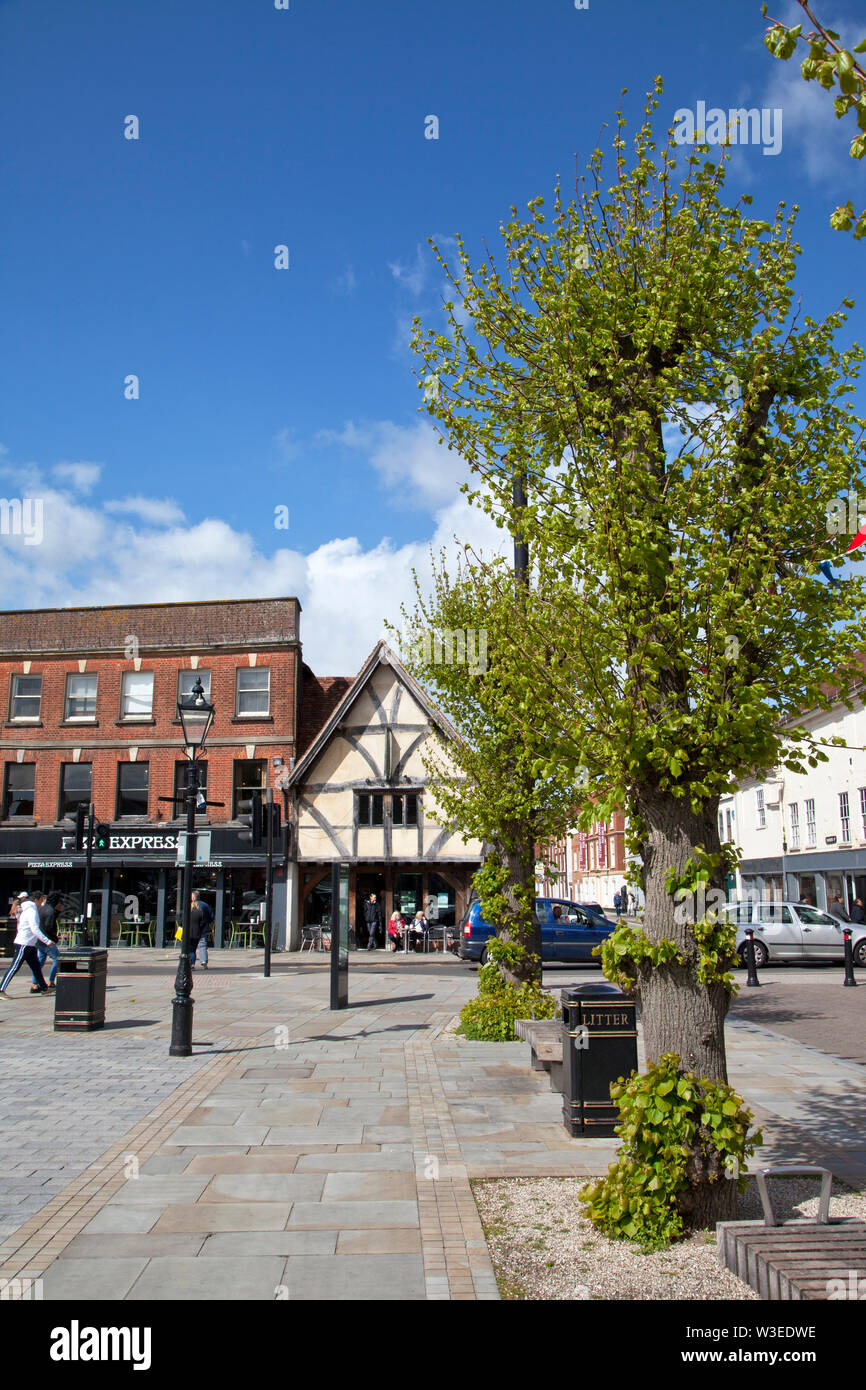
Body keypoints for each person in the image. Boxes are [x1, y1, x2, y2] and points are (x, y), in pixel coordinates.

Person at [1, 892, 51, 996]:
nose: (42, 903)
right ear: (36, 900)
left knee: (36, 967)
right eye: (42, 900)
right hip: (24, 943)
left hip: (29, 944)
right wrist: (47, 941)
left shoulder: (26, 908)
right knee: (14, 967)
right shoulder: (31, 910)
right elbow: (34, 928)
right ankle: (1, 990)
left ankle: (44, 988)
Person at [35, 891, 61, 988]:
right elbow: (49, 926)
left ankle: (34, 983)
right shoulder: (50, 910)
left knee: (40, 962)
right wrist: (54, 938)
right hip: (48, 941)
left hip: (40, 940)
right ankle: (51, 981)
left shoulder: (41, 909)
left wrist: (57, 912)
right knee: (57, 959)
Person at [188, 891, 212, 970]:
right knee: (202, 945)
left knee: (192, 948)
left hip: (191, 930)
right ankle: (203, 961)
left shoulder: (190, 906)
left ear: (193, 897)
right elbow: (211, 917)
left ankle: (192, 963)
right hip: (202, 929)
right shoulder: (205, 905)